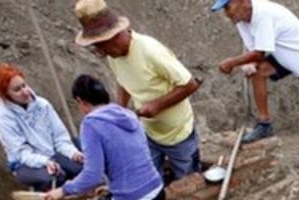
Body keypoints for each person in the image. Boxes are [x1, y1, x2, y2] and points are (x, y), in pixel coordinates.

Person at [72, 0, 202, 181]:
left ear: (113, 36)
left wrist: (157, 105)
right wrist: (121, 110)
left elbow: (190, 84)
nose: (100, 52)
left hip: (178, 132)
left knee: (188, 181)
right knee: (149, 178)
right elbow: (123, 81)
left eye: (100, 46)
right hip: (149, 132)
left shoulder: (149, 51)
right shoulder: (114, 55)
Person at [45, 75, 163, 200]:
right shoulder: (127, 114)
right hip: (158, 192)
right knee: (108, 199)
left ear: (81, 101)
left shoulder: (91, 124)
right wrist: (111, 187)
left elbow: (93, 175)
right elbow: (130, 159)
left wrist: (62, 190)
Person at [213, 0, 299, 171]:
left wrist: (232, 62)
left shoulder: (262, 14)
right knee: (258, 72)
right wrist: (250, 64)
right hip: (284, 54)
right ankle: (264, 124)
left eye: (227, 7)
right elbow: (254, 50)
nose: (226, 14)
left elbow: (259, 54)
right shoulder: (242, 20)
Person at [0, 63, 84, 191]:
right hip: (25, 163)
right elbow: (20, 153)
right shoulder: (3, 115)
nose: (25, 92)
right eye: (17, 90)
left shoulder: (42, 104)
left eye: (24, 85)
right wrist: (45, 162)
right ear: (6, 95)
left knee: (83, 164)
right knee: (55, 176)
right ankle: (47, 192)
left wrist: (73, 153)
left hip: (53, 153)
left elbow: (60, 137)